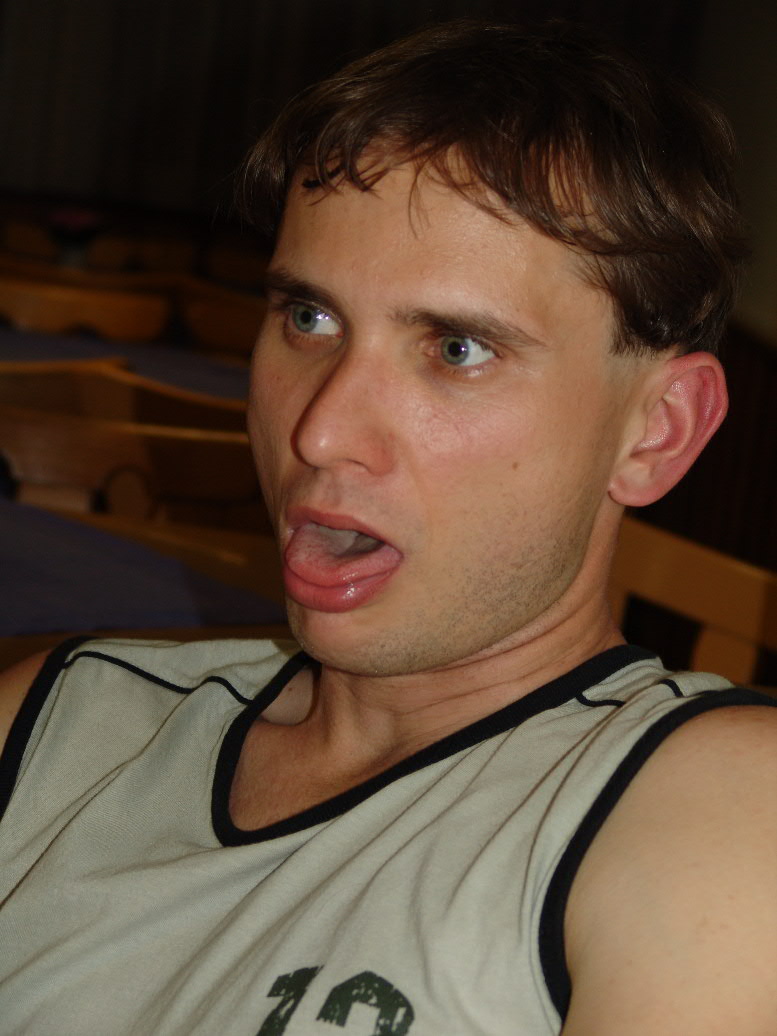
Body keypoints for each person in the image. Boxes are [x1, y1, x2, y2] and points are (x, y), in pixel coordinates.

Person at [0, 20, 775, 1035]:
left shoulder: (701, 808)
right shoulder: (52, 727)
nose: (320, 432)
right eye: (309, 318)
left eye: (456, 349)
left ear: (655, 431)